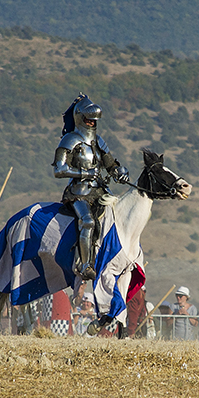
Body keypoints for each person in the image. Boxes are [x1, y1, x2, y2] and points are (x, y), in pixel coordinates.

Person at [52, 93, 130, 280]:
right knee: (87, 221)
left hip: (100, 191)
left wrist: (119, 171)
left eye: (94, 121)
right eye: (88, 120)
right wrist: (84, 174)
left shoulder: (98, 141)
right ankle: (86, 264)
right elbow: (59, 170)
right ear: (80, 118)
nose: (92, 124)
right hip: (79, 192)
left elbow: (109, 164)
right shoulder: (70, 140)